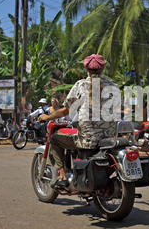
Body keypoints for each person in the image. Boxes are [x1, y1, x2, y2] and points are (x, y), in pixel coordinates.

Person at [41, 54, 119, 187]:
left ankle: (62, 177)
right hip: (109, 138)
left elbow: (65, 111)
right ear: (103, 68)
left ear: (86, 69)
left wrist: (47, 117)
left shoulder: (81, 85)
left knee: (54, 139)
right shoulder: (113, 86)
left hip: (87, 140)